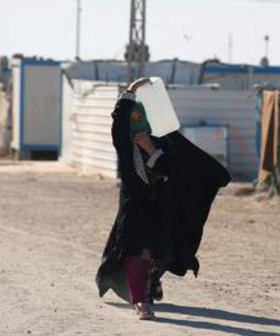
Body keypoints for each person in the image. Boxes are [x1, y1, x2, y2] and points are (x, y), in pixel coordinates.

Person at [96, 78, 231, 320]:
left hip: (162, 208)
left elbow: (175, 170)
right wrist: (131, 90)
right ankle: (141, 302)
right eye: (133, 121)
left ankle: (151, 284)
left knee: (162, 254)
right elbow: (118, 121)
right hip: (134, 208)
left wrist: (151, 150)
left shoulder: (165, 142)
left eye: (142, 121)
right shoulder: (125, 147)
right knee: (137, 253)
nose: (137, 126)